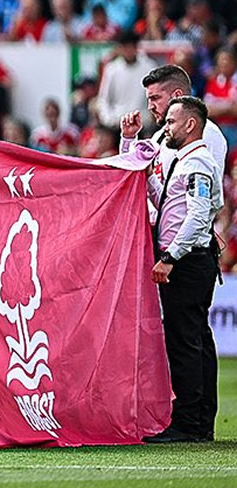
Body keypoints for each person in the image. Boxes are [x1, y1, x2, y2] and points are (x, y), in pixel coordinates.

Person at [131, 97, 222, 444]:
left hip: (189, 262)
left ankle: (189, 422)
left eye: (171, 121)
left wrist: (170, 255)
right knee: (189, 339)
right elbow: (163, 201)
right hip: (187, 259)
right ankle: (196, 422)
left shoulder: (198, 162)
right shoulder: (184, 162)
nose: (165, 127)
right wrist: (136, 157)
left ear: (190, 125)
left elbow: (198, 216)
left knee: (185, 341)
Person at [97, 31, 158, 129]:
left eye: (131, 47)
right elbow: (104, 99)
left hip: (143, 124)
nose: (129, 50)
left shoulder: (149, 67)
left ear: (136, 48)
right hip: (117, 123)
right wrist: (108, 120)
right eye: (125, 47)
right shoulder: (112, 69)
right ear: (120, 48)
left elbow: (155, 97)